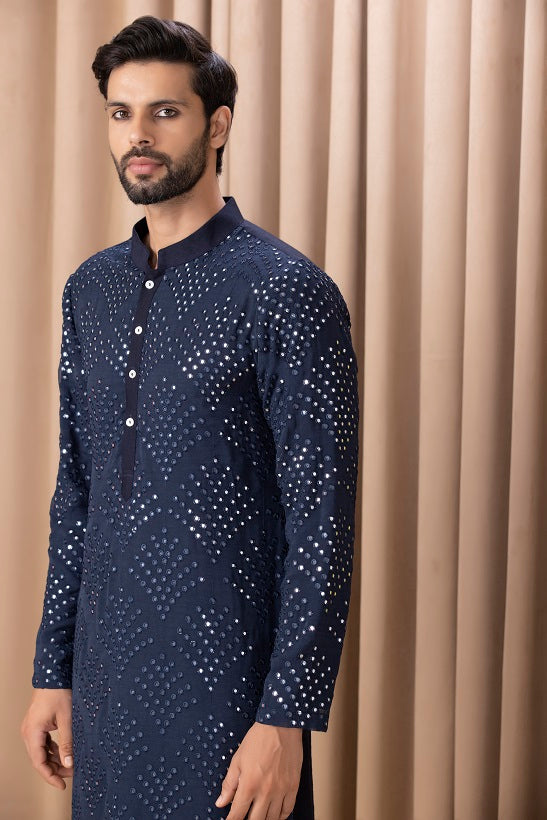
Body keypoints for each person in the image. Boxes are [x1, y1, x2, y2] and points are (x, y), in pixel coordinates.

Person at [20, 15, 359, 820]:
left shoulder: (286, 291)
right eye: (120, 112)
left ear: (217, 125)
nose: (137, 135)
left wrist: (286, 718)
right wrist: (51, 672)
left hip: (231, 692)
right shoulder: (91, 290)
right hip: (104, 686)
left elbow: (322, 522)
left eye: (164, 112)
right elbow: (76, 492)